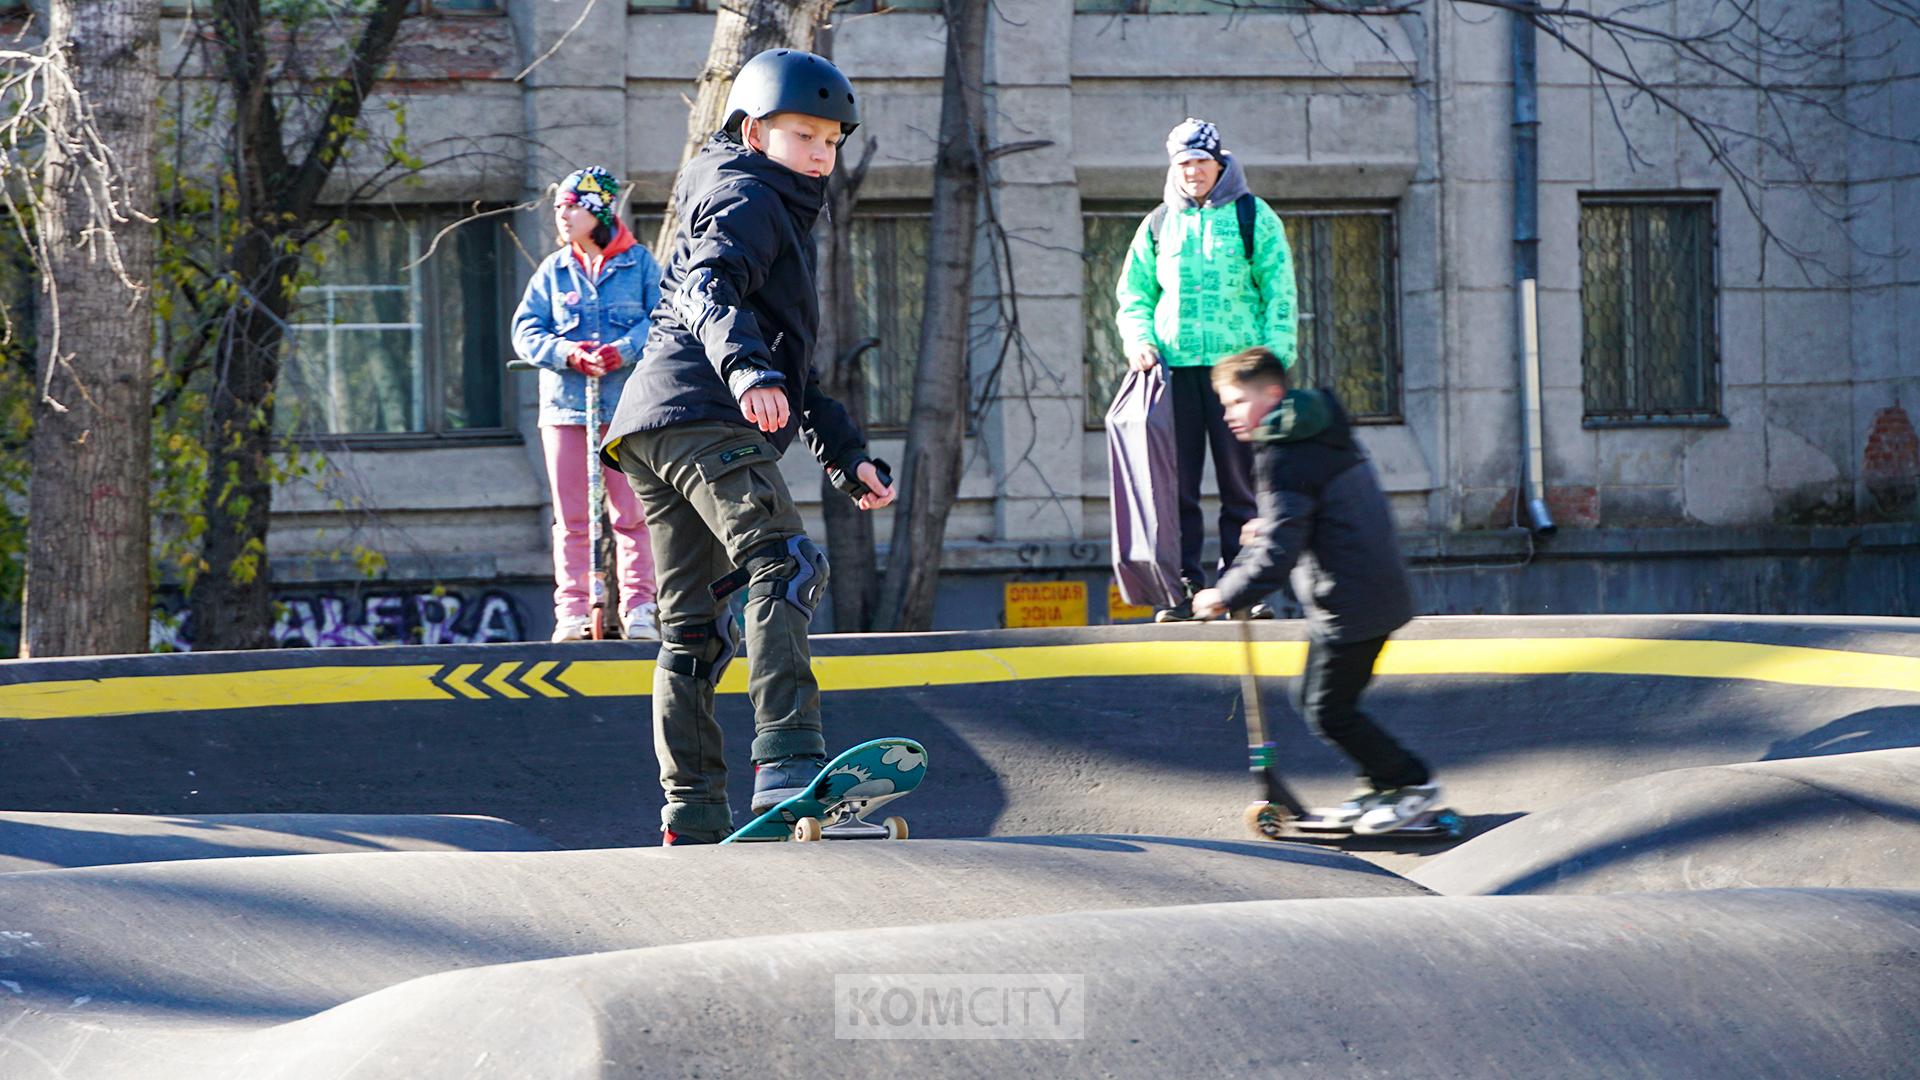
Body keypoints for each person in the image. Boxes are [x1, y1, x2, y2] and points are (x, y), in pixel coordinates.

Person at [598, 49, 895, 845]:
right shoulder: (747, 193)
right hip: (704, 411)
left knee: (693, 628)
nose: (821, 154)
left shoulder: (756, 197)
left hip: (651, 426)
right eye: (803, 135)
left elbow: (795, 377)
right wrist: (743, 365)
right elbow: (707, 287)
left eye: (832, 141)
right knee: (785, 562)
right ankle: (789, 762)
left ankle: (691, 810)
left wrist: (845, 454)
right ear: (754, 128)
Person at [1191, 347, 1439, 835]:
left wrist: (1223, 593)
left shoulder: (1283, 453)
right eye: (1225, 404)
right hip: (1364, 591)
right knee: (1315, 700)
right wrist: (1272, 525)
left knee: (1327, 709)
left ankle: (1413, 785)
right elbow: (1318, 509)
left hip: (1352, 600)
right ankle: (1381, 781)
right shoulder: (1316, 432)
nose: (1228, 414)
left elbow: (1278, 556)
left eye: (1237, 401)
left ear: (1273, 395)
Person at [1115, 118, 1298, 621]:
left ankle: (1243, 588)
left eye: (1199, 161)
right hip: (1176, 372)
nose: (1192, 172)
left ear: (1219, 162)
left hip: (1239, 374)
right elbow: (1134, 294)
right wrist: (1140, 341)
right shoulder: (1157, 223)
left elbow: (1279, 292)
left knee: (1244, 484)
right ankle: (1182, 589)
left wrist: (1274, 364)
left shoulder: (1252, 216)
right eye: (1182, 163)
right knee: (1177, 487)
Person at [511, 166, 664, 642]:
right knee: (573, 518)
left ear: (597, 210)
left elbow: (663, 321)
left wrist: (624, 348)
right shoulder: (552, 272)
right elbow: (526, 331)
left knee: (631, 514)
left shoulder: (639, 266)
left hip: (626, 411)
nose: (562, 216)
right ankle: (573, 612)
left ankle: (640, 608)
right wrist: (567, 353)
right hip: (565, 410)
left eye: (571, 206)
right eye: (559, 207)